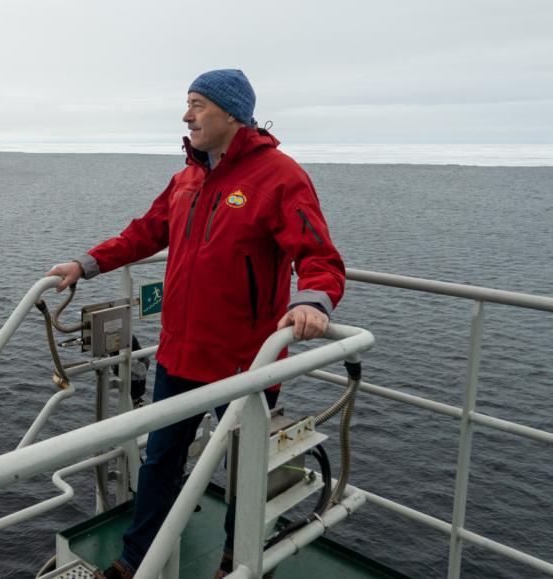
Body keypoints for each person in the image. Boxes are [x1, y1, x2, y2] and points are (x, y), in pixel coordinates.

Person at [45, 69, 345, 579]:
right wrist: (85, 264)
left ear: (232, 113)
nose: (187, 115)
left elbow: (318, 255)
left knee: (245, 467)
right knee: (160, 461)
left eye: (198, 104)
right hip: (179, 353)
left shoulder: (278, 176)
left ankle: (239, 559)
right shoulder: (187, 178)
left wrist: (312, 301)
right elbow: (144, 232)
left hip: (245, 360)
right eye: (188, 105)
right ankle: (136, 561)